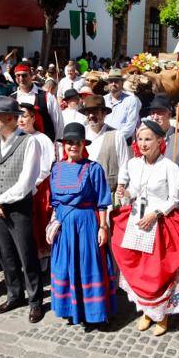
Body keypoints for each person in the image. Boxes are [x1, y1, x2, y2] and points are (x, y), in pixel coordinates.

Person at [112, 120, 179, 335]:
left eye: (148, 139)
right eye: (140, 139)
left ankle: (162, 314)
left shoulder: (169, 167)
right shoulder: (133, 164)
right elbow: (132, 191)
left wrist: (155, 214)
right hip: (138, 222)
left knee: (157, 271)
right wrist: (125, 194)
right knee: (140, 270)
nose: (143, 143)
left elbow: (174, 198)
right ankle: (147, 311)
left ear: (159, 140)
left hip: (160, 222)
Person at [0, 96, 45, 323]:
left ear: (10, 118)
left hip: (19, 209)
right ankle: (14, 294)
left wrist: (0, 200)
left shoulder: (29, 143)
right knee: (6, 254)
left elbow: (26, 182)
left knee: (26, 255)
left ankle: (35, 300)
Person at [48, 122, 118, 327]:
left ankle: (93, 312)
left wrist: (103, 227)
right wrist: (52, 223)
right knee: (65, 266)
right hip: (63, 227)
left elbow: (103, 201)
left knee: (87, 266)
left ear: (83, 145)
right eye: (69, 142)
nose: (73, 146)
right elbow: (55, 202)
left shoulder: (93, 168)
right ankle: (70, 308)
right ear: (64, 145)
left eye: (77, 143)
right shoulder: (57, 167)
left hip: (86, 226)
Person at [17, 102, 56, 255]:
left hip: (38, 189)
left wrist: (30, 183)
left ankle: (42, 256)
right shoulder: (14, 138)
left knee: (39, 222)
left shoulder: (42, 139)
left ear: (33, 118)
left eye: (24, 116)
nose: (21, 120)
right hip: (19, 188)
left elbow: (45, 167)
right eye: (18, 116)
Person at [81, 95, 129, 200]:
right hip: (83, 194)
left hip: (108, 194)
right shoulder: (81, 134)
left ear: (104, 114)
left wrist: (120, 186)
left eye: (95, 112)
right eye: (88, 112)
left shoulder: (116, 135)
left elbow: (124, 163)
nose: (91, 115)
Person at [11, 63, 61, 141]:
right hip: (20, 145)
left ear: (31, 76)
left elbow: (58, 123)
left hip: (43, 146)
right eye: (18, 76)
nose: (21, 79)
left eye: (24, 75)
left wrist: (56, 145)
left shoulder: (47, 97)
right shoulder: (12, 99)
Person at [144, 94, 179, 167]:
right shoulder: (145, 137)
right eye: (153, 113)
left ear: (169, 115)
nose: (155, 117)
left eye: (159, 113)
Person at [104, 69, 141, 144]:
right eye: (111, 81)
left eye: (116, 81)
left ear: (122, 83)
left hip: (123, 142)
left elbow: (131, 125)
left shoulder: (131, 100)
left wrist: (115, 139)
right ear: (108, 83)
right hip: (104, 140)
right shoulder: (103, 99)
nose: (113, 83)